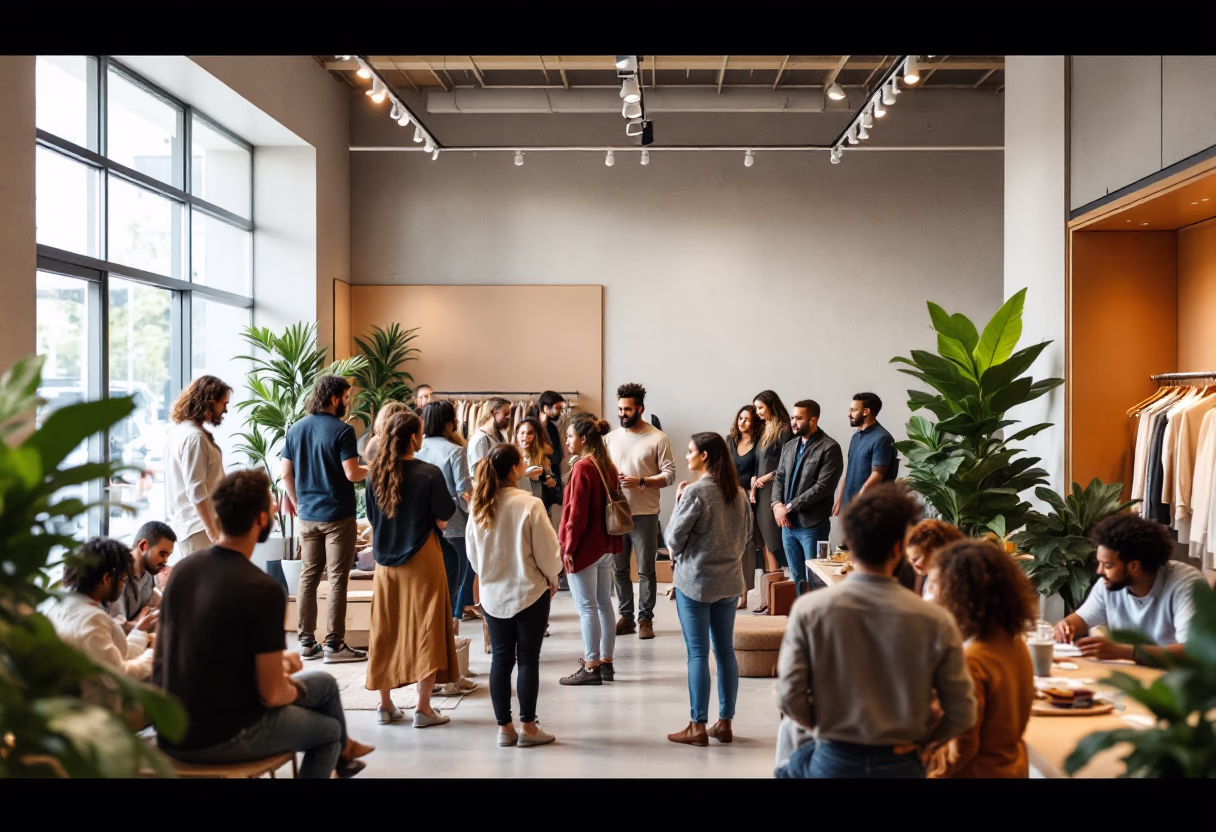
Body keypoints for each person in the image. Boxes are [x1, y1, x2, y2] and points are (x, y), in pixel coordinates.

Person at [153, 469, 373, 778]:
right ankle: (341, 749)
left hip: (170, 728)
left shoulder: (183, 571)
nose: (274, 511)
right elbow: (273, 695)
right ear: (260, 519)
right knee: (329, 731)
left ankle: (345, 754)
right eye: (271, 505)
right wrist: (293, 690)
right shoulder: (263, 589)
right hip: (223, 735)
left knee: (323, 683)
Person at [774, 484, 976, 779]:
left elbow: (788, 695)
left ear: (850, 545)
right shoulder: (935, 620)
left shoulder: (809, 610)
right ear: (898, 549)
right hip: (902, 763)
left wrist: (822, 729)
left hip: (834, 758)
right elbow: (961, 711)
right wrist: (921, 744)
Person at [364, 410, 460, 728]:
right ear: (414, 438)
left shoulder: (374, 473)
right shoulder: (428, 473)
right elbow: (444, 518)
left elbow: (372, 519)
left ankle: (385, 705)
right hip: (422, 558)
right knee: (427, 628)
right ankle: (423, 708)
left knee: (386, 629)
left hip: (385, 565)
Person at [466, 443, 563, 747]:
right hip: (529, 593)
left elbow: (473, 557)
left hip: (494, 594)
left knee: (501, 660)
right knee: (528, 660)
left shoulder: (480, 504)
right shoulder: (530, 504)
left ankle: (504, 729)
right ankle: (529, 728)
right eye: (521, 462)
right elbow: (548, 554)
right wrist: (552, 578)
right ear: (513, 469)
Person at [665, 432, 753, 747]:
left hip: (696, 583)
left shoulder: (696, 492)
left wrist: (677, 502)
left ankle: (697, 725)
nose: (686, 456)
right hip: (729, 582)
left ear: (704, 456)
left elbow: (673, 539)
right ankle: (725, 723)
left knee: (698, 654)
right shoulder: (739, 494)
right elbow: (746, 535)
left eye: (690, 451)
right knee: (725, 651)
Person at [927, 539, 1036, 779]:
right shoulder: (1013, 642)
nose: (928, 597)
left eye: (934, 586)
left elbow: (961, 750)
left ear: (959, 593)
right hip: (1012, 768)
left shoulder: (971, 660)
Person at [281, 374, 368, 664]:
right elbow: (352, 474)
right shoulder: (343, 431)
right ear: (334, 398)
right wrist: (376, 467)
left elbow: (285, 474)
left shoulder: (295, 429)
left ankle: (306, 642)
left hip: (307, 516)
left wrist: (297, 504)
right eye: (346, 396)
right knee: (337, 579)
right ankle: (335, 644)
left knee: (308, 576)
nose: (347, 401)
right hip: (338, 516)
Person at [1054, 513, 1205, 665]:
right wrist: (1065, 627)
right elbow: (1081, 619)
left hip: (1177, 682)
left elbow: (1194, 651)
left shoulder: (1187, 584)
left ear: (1133, 566)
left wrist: (1124, 651)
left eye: (1107, 565)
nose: (1099, 571)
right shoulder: (1108, 584)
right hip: (1132, 677)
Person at [605, 382, 676, 639]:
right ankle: (626, 617)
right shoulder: (610, 438)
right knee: (619, 569)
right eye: (620, 409)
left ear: (640, 409)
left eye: (627, 409)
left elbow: (670, 476)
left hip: (645, 513)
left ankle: (646, 619)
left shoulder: (658, 438)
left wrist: (641, 481)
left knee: (646, 569)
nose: (622, 414)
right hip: (615, 513)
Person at [557, 418, 624, 686]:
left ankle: (591, 664)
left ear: (584, 438)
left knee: (587, 608)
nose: (567, 441)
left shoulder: (583, 467)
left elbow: (576, 513)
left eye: (570, 436)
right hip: (605, 545)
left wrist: (568, 547)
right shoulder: (606, 465)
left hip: (585, 546)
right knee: (604, 604)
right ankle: (606, 662)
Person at [47, 536, 156, 681]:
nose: (123, 587)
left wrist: (140, 630)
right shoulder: (91, 619)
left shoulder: (58, 606)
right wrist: (153, 655)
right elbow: (118, 675)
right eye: (122, 579)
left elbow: (114, 654)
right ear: (107, 578)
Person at [771, 400, 844, 596]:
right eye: (793, 417)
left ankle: (817, 622)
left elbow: (823, 487)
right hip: (788, 525)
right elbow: (779, 477)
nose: (793, 422)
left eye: (799, 418)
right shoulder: (790, 445)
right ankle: (801, 618)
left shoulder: (829, 448)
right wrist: (776, 504)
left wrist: (789, 506)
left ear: (813, 420)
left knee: (815, 578)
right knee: (796, 577)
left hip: (812, 525)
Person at [416, 401, 474, 637]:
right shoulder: (455, 451)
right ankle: (449, 644)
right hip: (454, 525)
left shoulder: (415, 449)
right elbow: (463, 493)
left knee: (428, 586)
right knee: (454, 586)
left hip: (422, 526)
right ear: (448, 422)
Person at [164, 375, 231, 561]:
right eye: (223, 403)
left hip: (194, 525)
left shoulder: (179, 432)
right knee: (208, 587)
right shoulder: (194, 438)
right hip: (200, 528)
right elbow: (196, 490)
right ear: (209, 402)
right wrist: (212, 530)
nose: (225, 409)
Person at [749, 390, 792, 612]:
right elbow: (759, 462)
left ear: (771, 405)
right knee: (765, 544)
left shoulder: (785, 429)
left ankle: (774, 598)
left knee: (773, 545)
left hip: (773, 491)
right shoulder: (766, 429)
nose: (757, 413)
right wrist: (756, 479)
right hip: (761, 490)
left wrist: (766, 477)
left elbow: (787, 464)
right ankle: (768, 598)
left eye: (760, 408)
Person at [834, 392, 899, 516]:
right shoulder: (855, 437)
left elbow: (877, 475)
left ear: (866, 411)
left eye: (853, 410)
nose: (849, 414)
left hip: (869, 509)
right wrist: (840, 500)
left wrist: (858, 502)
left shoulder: (882, 438)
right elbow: (848, 471)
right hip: (851, 506)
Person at [109, 521, 175, 631]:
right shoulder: (117, 575)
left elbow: (154, 606)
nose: (166, 561)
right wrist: (140, 623)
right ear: (143, 546)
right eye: (162, 554)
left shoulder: (148, 574)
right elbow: (116, 628)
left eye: (168, 556)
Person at [728, 404, 764, 609]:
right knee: (730, 546)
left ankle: (745, 594)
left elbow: (758, 472)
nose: (743, 422)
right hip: (729, 496)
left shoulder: (758, 444)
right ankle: (731, 592)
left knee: (748, 546)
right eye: (740, 418)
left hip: (750, 497)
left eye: (748, 419)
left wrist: (752, 489)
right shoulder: (730, 441)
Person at [906, 519, 965, 597]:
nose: (914, 566)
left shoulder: (959, 581)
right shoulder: (926, 578)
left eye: (915, 559)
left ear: (935, 550)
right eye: (910, 561)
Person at [515, 416, 557, 500]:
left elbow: (555, 487)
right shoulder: (512, 454)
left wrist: (546, 477)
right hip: (518, 502)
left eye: (530, 433)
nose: (525, 437)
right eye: (522, 433)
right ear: (517, 434)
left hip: (538, 503)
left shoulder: (545, 455)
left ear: (536, 436)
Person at [469, 398, 514, 473]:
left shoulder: (499, 435)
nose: (508, 418)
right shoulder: (480, 439)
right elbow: (478, 473)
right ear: (494, 413)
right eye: (506, 414)